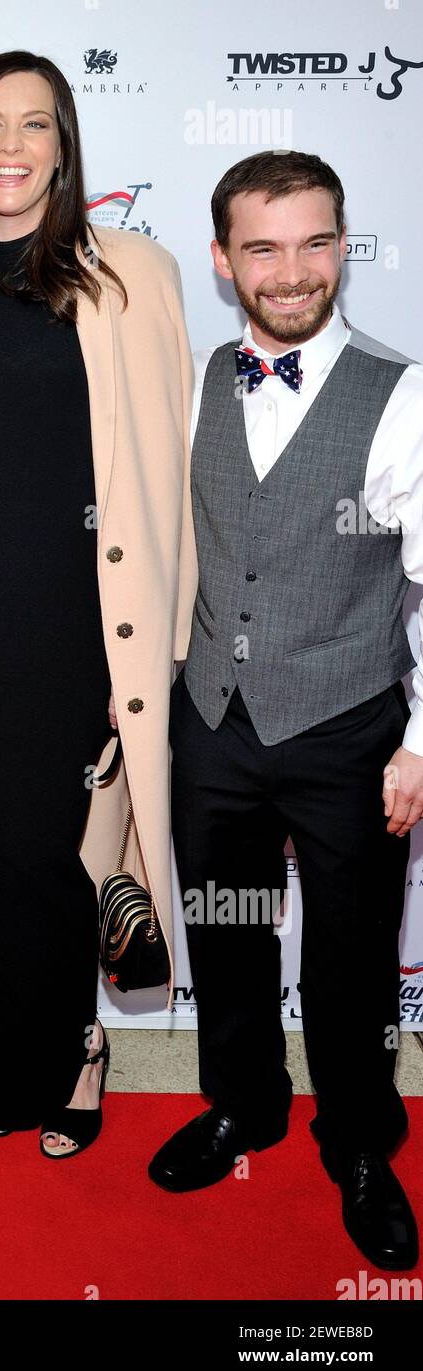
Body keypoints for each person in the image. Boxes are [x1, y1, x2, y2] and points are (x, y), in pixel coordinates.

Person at [0, 51, 196, 1157]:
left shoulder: (128, 273)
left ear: (64, 144)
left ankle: (79, 1048)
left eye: (34, 125)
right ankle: (3, 1058)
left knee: (54, 856)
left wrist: (166, 645)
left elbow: (168, 473)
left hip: (70, 617)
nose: (10, 146)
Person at [149, 150, 423, 1271]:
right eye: (263, 246)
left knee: (352, 962)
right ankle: (245, 1102)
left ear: (342, 245)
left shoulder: (398, 391)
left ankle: (359, 1141)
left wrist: (419, 743)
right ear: (223, 260)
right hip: (212, 714)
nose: (292, 269)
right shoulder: (203, 376)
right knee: (223, 932)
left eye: (315, 241)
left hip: (350, 719)